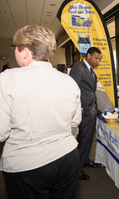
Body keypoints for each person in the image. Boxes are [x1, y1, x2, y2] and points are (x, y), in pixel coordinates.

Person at [0, 25, 81, 198]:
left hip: (27, 164)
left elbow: (1, 131)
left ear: (25, 52)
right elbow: (75, 122)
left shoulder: (7, 79)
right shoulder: (69, 81)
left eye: (15, 48)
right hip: (68, 157)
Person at [69, 47, 103, 180]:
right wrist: (79, 107)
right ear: (88, 55)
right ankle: (76, 168)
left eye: (99, 59)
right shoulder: (79, 68)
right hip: (84, 110)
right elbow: (72, 89)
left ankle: (86, 160)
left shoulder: (89, 69)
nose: (97, 61)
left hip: (92, 109)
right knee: (83, 139)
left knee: (89, 138)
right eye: (96, 58)